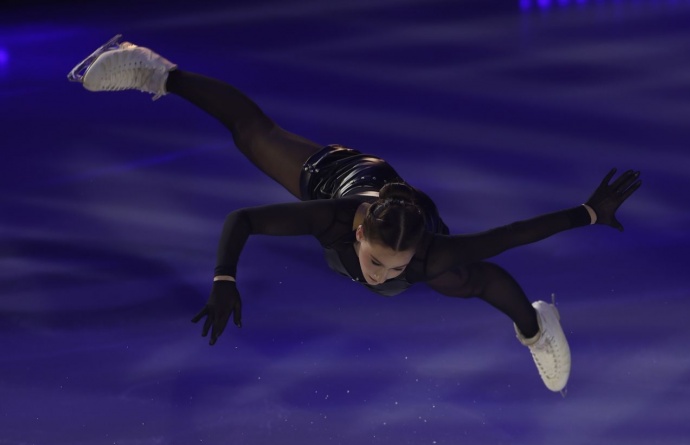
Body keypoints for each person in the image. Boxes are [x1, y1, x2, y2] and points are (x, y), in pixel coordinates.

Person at [68, 35, 642, 394]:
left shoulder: (427, 255)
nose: (381, 276)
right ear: (359, 233)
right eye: (377, 262)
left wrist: (590, 213)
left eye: (394, 268)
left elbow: (511, 235)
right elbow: (242, 219)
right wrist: (223, 279)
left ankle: (537, 327)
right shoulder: (332, 215)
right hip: (345, 173)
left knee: (468, 279)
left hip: (412, 218)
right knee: (252, 134)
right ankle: (155, 71)